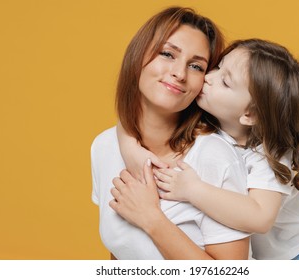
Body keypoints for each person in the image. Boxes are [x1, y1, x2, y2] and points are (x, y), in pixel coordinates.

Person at [116, 39, 299, 260]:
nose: (209, 78)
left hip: (289, 255)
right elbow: (135, 116)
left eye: (225, 82)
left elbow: (260, 218)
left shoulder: (271, 153)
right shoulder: (212, 112)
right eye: (218, 66)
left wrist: (192, 190)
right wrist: (131, 149)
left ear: (249, 115)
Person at [91, 6, 251, 260]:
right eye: (167, 54)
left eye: (196, 66)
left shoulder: (213, 156)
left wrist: (151, 219)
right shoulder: (105, 146)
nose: (179, 73)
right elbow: (122, 250)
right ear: (138, 56)